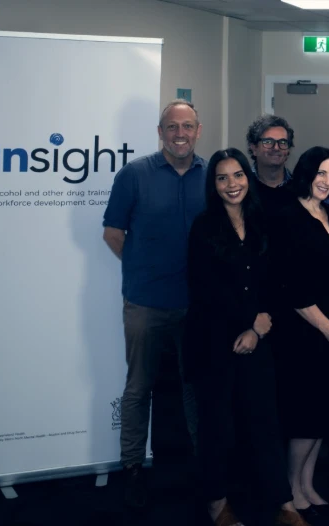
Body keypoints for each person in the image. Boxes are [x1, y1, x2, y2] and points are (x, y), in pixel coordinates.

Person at [185, 148, 311, 526]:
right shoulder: (203, 227)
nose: (232, 184)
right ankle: (217, 503)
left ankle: (283, 503)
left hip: (258, 338)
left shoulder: (262, 222)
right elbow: (205, 289)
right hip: (214, 341)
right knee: (218, 427)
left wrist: (259, 326)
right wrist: (247, 325)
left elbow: (274, 281)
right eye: (222, 177)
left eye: (238, 175)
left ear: (248, 178)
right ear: (213, 185)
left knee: (264, 423)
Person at [102, 99, 203, 508]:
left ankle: (202, 464)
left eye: (187, 126)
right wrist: (142, 267)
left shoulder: (211, 174)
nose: (180, 134)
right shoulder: (134, 174)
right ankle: (131, 467)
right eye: (172, 127)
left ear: (198, 130)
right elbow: (112, 233)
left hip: (196, 304)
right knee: (138, 386)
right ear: (160, 133)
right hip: (145, 302)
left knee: (195, 386)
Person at [271, 146, 329, 518]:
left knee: (326, 413)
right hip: (304, 334)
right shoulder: (286, 217)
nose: (326, 181)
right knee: (306, 417)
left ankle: (307, 484)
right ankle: (291, 490)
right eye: (320, 173)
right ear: (306, 173)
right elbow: (288, 286)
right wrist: (327, 329)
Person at [246, 114, 296, 212]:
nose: (276, 148)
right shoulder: (242, 187)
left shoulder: (300, 188)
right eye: (268, 142)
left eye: (282, 142)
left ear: (288, 150)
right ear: (254, 148)